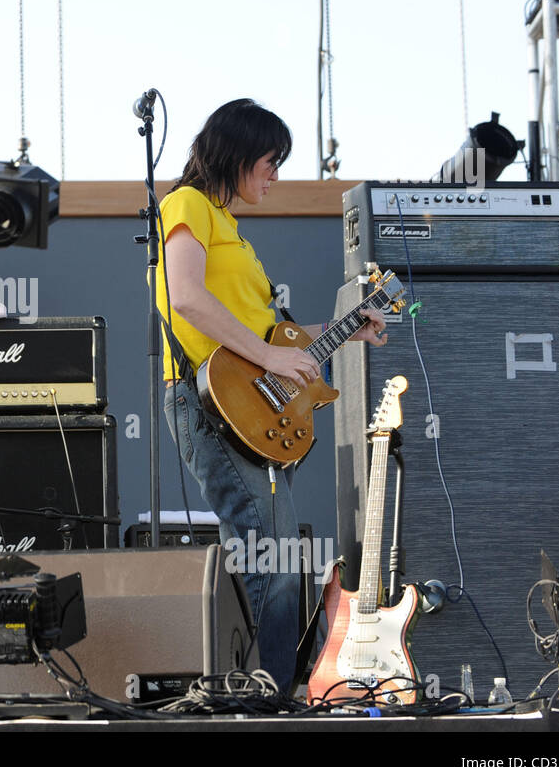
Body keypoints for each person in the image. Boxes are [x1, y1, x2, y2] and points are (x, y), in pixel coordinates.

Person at [153, 98, 388, 691]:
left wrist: (346, 327)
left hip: (243, 404)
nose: (275, 175)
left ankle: (277, 689)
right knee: (270, 559)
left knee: (280, 558)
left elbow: (270, 337)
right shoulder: (185, 205)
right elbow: (184, 296)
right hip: (206, 403)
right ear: (235, 154)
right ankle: (270, 695)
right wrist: (269, 355)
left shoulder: (230, 230)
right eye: (269, 161)